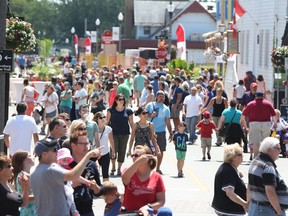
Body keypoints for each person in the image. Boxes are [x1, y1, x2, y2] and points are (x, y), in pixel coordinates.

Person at [30, 137, 101, 216]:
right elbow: (73, 175)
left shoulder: (34, 171)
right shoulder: (50, 169)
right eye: (54, 150)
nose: (57, 152)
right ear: (44, 154)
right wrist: (88, 155)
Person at [248, 137, 288, 216]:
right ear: (269, 150)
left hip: (255, 207)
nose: (280, 151)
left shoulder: (255, 161)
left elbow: (249, 186)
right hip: (266, 210)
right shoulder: (268, 167)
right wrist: (279, 211)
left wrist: (248, 203)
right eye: (278, 148)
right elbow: (270, 191)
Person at [122, 145, 166, 214]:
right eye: (132, 155)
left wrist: (148, 207)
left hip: (147, 213)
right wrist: (138, 162)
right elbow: (125, 179)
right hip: (129, 213)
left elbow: (161, 201)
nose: (133, 157)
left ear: (147, 158)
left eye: (136, 155)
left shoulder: (157, 177)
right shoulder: (128, 171)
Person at [69, 132, 103, 216]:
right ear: (73, 145)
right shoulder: (65, 164)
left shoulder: (91, 165)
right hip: (67, 210)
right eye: (82, 143)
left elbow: (100, 191)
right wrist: (69, 186)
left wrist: (96, 188)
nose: (86, 146)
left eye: (87, 143)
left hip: (87, 210)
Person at [212, 144, 248, 215]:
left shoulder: (230, 168)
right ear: (233, 157)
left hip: (228, 209)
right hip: (228, 210)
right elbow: (230, 193)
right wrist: (244, 204)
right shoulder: (228, 171)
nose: (243, 156)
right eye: (240, 154)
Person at [241, 91, 277, 158]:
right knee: (265, 142)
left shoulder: (251, 104)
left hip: (254, 124)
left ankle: (256, 157)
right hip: (266, 124)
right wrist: (275, 123)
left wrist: (242, 122)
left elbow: (243, 115)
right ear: (263, 96)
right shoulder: (268, 104)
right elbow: (274, 115)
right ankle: (265, 157)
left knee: (256, 143)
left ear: (256, 96)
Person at [106, 94, 134, 176]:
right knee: (113, 150)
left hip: (125, 133)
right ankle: (113, 167)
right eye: (120, 99)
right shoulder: (110, 110)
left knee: (122, 151)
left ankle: (119, 168)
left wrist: (134, 132)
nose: (121, 101)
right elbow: (107, 121)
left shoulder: (128, 111)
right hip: (113, 133)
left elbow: (131, 123)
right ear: (116, 100)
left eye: (123, 99)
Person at [146, 90, 173, 174]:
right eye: (160, 96)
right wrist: (151, 115)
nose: (161, 98)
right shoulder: (150, 105)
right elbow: (143, 116)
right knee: (148, 151)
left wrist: (171, 133)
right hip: (149, 131)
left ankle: (158, 168)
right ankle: (148, 168)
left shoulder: (166, 109)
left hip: (161, 131)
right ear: (156, 97)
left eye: (163, 96)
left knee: (160, 150)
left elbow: (168, 122)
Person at [11, 150, 36, 216]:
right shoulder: (22, 176)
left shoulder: (26, 174)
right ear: (24, 160)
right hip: (29, 212)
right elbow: (25, 198)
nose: (33, 157)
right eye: (30, 156)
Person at [93, 112, 116, 182]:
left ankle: (106, 190)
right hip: (94, 153)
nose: (103, 119)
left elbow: (111, 141)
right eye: (101, 117)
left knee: (105, 173)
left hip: (105, 153)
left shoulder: (108, 129)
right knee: (93, 173)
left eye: (104, 117)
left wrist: (113, 152)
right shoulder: (93, 128)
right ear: (97, 119)